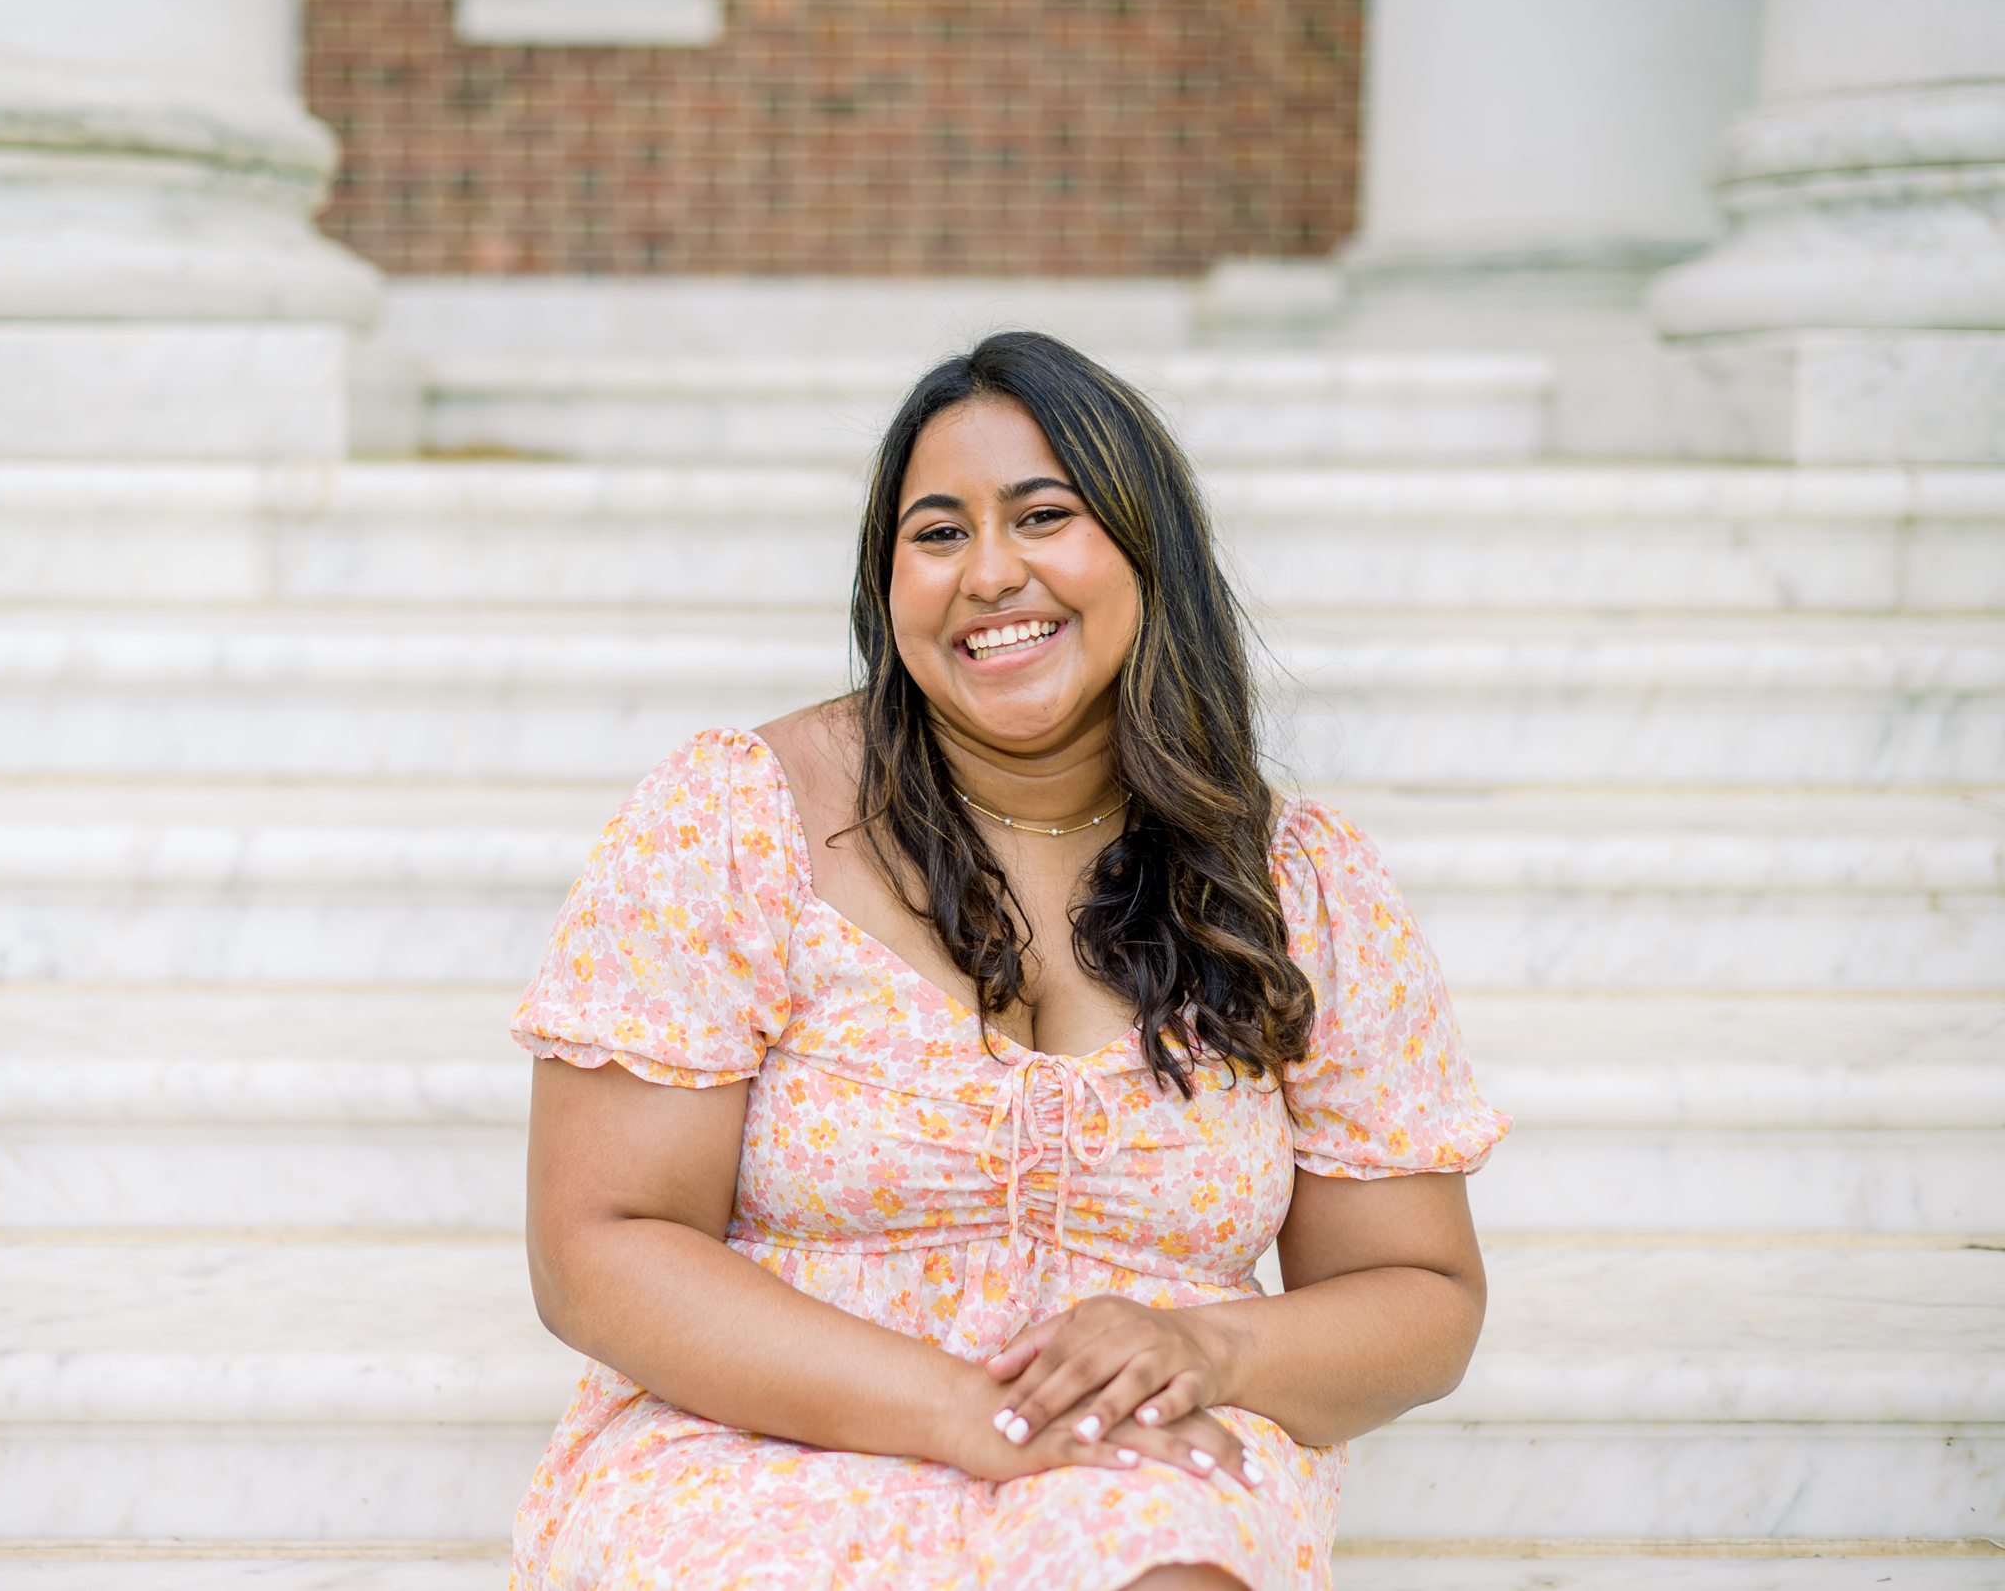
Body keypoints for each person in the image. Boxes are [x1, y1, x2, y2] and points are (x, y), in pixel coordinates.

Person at [509, 331, 1510, 1590]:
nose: (989, 572)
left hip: (1129, 1452)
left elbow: (1415, 1291)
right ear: (889, 590)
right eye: (937, 534)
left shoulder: (1295, 883)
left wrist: (1209, 1349)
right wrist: (964, 1413)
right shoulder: (736, 820)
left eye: (1044, 514)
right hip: (758, 1434)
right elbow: (600, 1244)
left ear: (1149, 555)